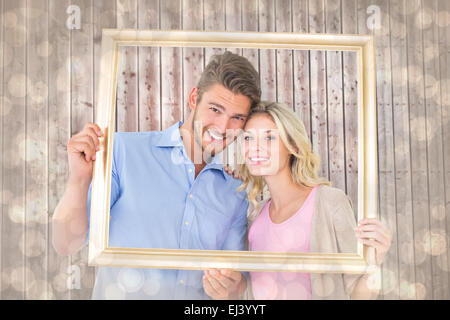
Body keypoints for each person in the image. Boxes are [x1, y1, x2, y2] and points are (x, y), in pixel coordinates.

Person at [51, 51, 261, 299]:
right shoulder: (123, 152)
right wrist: (79, 179)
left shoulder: (235, 192)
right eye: (215, 109)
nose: (223, 127)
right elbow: (66, 244)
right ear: (194, 98)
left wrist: (234, 289)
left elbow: (234, 283)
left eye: (237, 118)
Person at [227, 101, 392, 300]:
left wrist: (376, 261)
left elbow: (358, 294)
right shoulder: (255, 216)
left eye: (269, 137)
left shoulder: (330, 203)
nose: (255, 148)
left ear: (293, 146)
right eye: (248, 138)